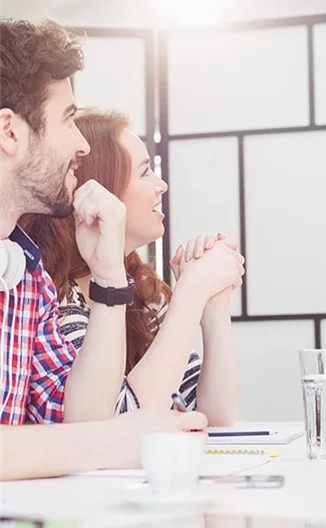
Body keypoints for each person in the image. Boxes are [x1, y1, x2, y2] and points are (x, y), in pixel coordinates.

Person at [0, 18, 205, 481]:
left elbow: (76, 418)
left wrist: (109, 275)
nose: (79, 145)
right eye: (69, 119)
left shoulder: (26, 276)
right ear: (10, 132)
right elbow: (97, 436)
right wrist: (115, 440)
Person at [25, 109, 243, 424]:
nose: (162, 185)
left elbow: (216, 416)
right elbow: (116, 420)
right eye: (145, 173)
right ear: (102, 191)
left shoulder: (140, 289)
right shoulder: (54, 295)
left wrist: (214, 306)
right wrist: (192, 291)